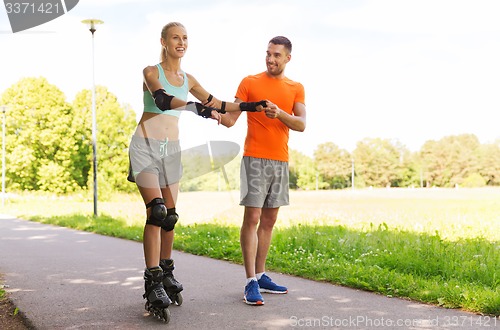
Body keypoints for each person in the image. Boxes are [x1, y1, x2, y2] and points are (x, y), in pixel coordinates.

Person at [128, 22, 267, 317]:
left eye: (185, 38)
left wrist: (252, 106)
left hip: (171, 151)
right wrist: (195, 107)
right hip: (146, 146)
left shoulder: (188, 78)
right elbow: (162, 100)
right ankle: (152, 281)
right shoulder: (151, 71)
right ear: (163, 41)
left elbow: (218, 103)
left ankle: (165, 273)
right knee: (157, 211)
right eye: (175, 37)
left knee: (170, 217)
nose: (181, 42)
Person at [217, 36, 306, 305]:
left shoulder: (296, 88)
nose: (270, 59)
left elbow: (301, 124)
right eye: (268, 54)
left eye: (277, 55)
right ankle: (249, 281)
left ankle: (261, 274)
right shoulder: (249, 82)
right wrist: (213, 113)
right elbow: (232, 118)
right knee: (253, 217)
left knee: (269, 221)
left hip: (280, 160)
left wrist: (279, 113)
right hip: (254, 158)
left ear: (287, 58)